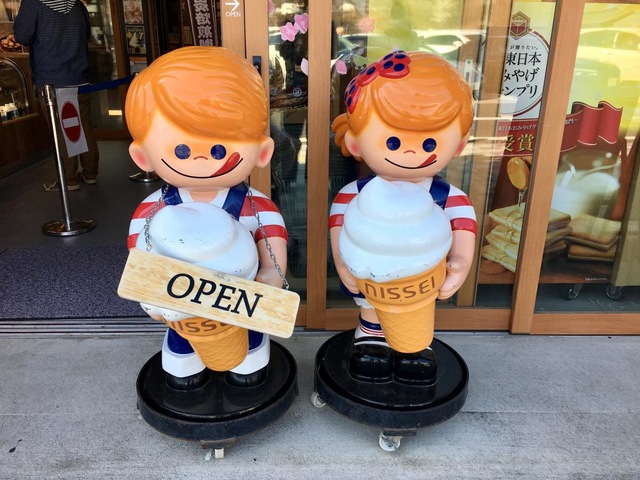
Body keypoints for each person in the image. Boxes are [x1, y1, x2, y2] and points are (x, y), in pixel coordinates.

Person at [125, 47, 288, 388]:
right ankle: (185, 366)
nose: (201, 159)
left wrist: (272, 274)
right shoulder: (153, 209)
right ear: (143, 157)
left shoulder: (256, 206)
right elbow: (140, 259)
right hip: (181, 307)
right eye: (181, 150)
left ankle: (249, 365)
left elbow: (272, 247)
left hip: (240, 306)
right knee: (183, 354)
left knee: (247, 356)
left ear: (262, 152)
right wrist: (150, 296)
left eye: (218, 150)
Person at [329, 51, 477, 385]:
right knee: (370, 306)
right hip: (368, 275)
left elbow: (463, 231)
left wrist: (458, 266)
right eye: (393, 141)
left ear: (459, 145)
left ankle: (414, 346)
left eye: (429, 142)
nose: (410, 152)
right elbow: (339, 232)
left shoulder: (448, 197)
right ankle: (371, 337)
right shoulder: (354, 194)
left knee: (416, 318)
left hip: (422, 280)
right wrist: (342, 265)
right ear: (355, 142)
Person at [14, 0, 99, 191]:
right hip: (79, 75)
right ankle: (90, 173)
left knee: (59, 129)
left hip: (50, 79)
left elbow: (22, 36)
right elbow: (86, 33)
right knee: (84, 125)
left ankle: (68, 179)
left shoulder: (33, 3)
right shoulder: (76, 4)